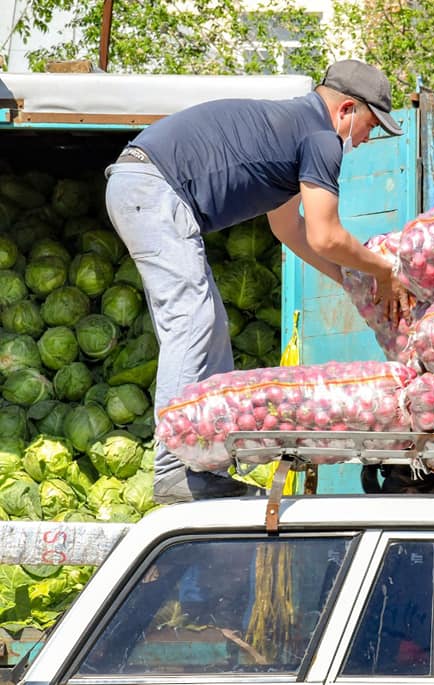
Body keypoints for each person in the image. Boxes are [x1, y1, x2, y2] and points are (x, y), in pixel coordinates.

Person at [104, 60, 416, 503]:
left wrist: (355, 286)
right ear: (347, 109)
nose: (366, 139)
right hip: (153, 188)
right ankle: (175, 467)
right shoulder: (320, 138)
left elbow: (289, 229)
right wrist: (384, 271)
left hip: (143, 186)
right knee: (191, 323)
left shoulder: (294, 131)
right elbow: (326, 235)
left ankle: (204, 464)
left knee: (210, 327)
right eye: (370, 125)